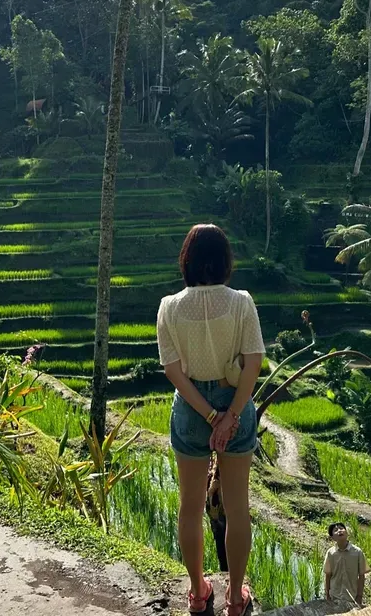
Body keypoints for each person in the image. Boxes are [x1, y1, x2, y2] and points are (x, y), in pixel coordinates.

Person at [157, 224, 265, 616]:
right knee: (237, 507)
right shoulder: (242, 303)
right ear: (224, 261)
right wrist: (228, 416)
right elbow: (253, 362)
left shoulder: (169, 306)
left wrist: (207, 414)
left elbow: (173, 371)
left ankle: (198, 593)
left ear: (186, 261)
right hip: (235, 402)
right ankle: (235, 598)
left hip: (191, 408)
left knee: (189, 507)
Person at [324, 522, 370, 608]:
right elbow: (328, 575)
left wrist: (359, 597)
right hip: (334, 597)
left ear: (347, 533)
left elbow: (361, 576)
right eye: (336, 530)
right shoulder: (331, 553)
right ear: (332, 537)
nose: (339, 531)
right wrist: (327, 595)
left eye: (341, 528)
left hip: (352, 597)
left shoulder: (357, 552)